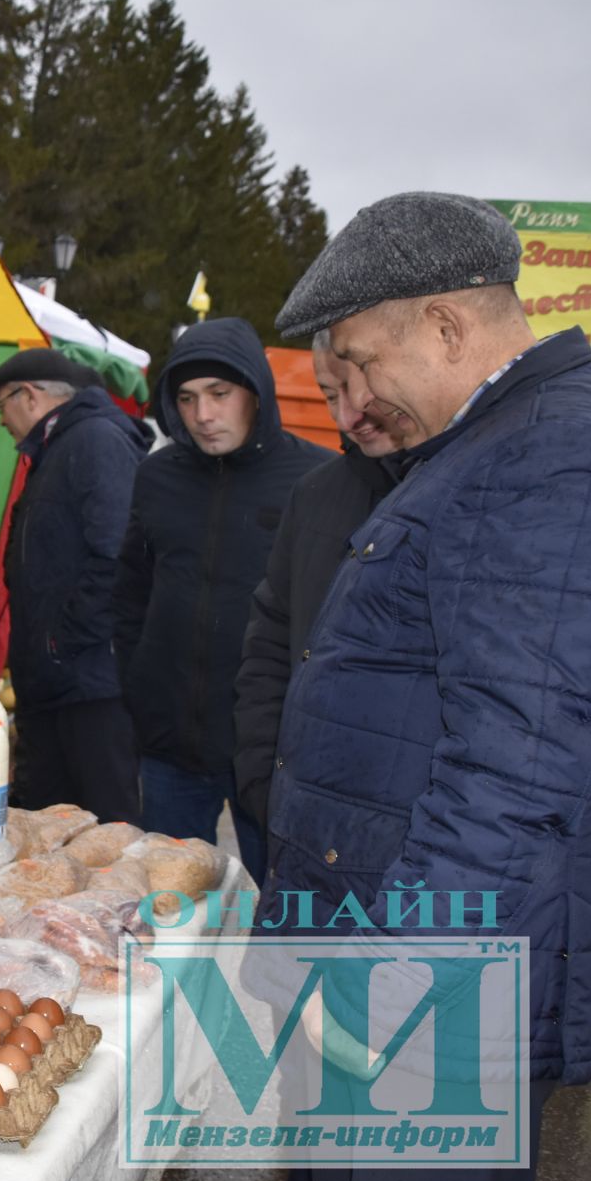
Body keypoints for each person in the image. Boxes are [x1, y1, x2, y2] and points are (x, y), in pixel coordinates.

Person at [262, 191, 591, 1181]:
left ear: (449, 325)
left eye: (359, 365)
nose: (351, 406)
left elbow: (511, 774)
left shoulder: (558, 460)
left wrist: (404, 988)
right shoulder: (500, 445)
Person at [110, 317, 330, 882]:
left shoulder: (316, 480)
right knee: (171, 908)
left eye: (219, 394)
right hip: (170, 747)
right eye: (185, 398)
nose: (202, 415)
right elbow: (131, 589)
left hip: (270, 748)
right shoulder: (157, 476)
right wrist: (140, 685)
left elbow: (331, 617)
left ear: (255, 392)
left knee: (279, 907)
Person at [232, 331, 425, 861]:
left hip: (405, 846)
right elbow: (271, 636)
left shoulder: (456, 494)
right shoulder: (317, 493)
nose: (347, 416)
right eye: (327, 394)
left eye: (356, 390)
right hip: (297, 818)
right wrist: (260, 775)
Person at [0, 348, 150, 822]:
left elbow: (118, 554)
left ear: (30, 396)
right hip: (59, 681)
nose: (1, 421)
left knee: (103, 830)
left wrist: (61, 641)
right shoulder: (64, 444)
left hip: (89, 686)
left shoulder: (94, 440)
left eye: (2, 405)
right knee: (47, 827)